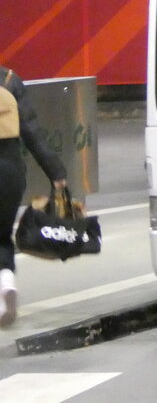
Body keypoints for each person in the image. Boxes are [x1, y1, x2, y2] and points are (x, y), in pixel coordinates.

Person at [0, 66, 67, 328]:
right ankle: (5, 284)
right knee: (2, 234)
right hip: (8, 173)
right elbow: (33, 133)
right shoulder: (9, 79)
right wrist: (56, 173)